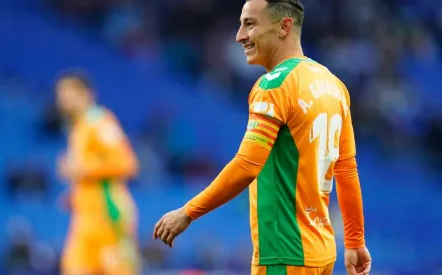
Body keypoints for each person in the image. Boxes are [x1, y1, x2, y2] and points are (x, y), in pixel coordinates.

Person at [152, 1, 371, 275]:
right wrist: (354, 241)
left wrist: (188, 212)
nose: (239, 35)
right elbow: (347, 170)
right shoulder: (335, 86)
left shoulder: (274, 85)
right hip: (322, 252)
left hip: (283, 253)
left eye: (250, 24)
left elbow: (247, 166)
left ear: (284, 26)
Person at [55, 70, 141, 275]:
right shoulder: (79, 127)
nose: (63, 101)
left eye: (69, 94)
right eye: (61, 96)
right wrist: (75, 193)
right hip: (85, 217)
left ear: (86, 94)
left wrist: (82, 170)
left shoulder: (99, 121)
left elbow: (127, 163)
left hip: (108, 215)